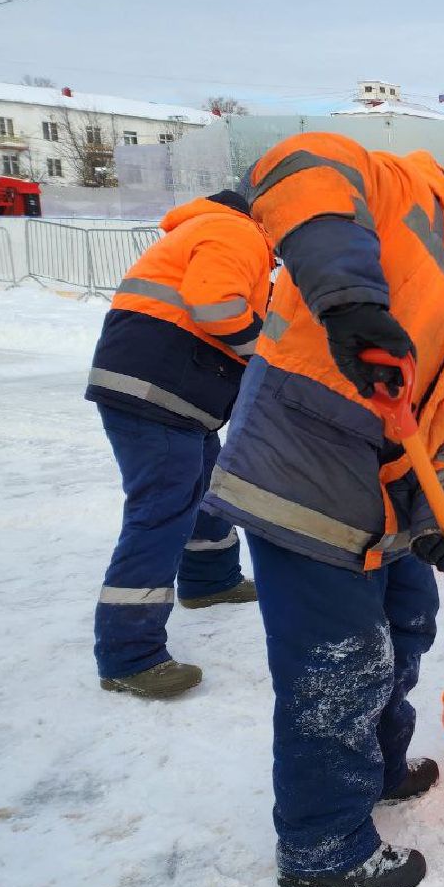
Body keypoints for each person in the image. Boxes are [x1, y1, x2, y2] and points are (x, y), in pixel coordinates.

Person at [200, 125, 444, 887]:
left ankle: (379, 766)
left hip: (384, 499)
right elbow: (298, 164)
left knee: (406, 628)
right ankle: (322, 842)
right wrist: (351, 300)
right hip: (302, 471)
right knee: (339, 664)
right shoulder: (404, 195)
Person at [86, 190, 273, 699]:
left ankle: (210, 579)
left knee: (206, 485)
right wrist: (269, 355)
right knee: (160, 511)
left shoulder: (219, 230)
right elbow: (216, 306)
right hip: (157, 392)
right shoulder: (237, 231)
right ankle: (129, 655)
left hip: (171, 393)